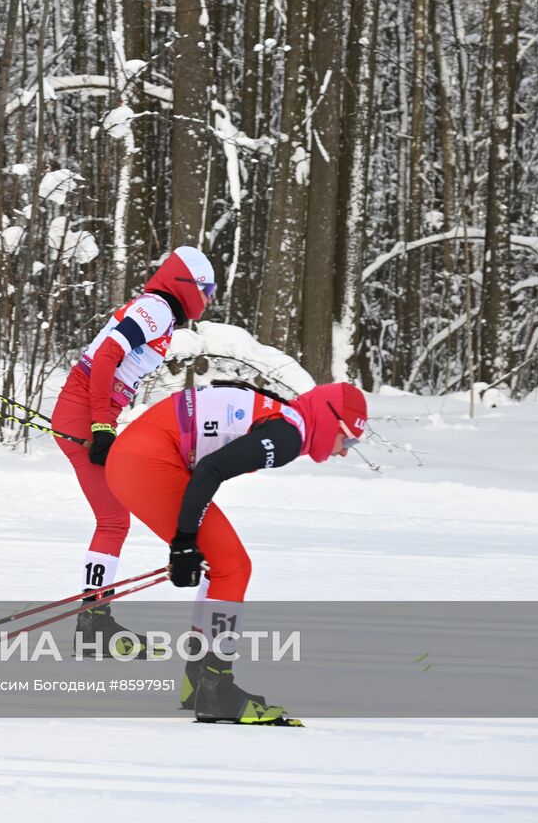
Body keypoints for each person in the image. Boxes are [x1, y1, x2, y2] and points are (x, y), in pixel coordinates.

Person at [102, 379, 368, 724]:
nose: (344, 450)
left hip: (138, 456)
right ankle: (216, 689)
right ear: (331, 421)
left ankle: (199, 680)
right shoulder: (287, 436)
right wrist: (184, 542)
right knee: (233, 568)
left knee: (224, 564)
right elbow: (212, 470)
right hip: (147, 460)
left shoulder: (285, 419)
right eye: (347, 438)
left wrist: (189, 541)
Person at [49, 246, 216, 653]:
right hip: (83, 413)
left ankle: (94, 618)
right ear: (188, 285)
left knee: (113, 519)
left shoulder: (158, 312)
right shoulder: (156, 308)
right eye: (206, 289)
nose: (209, 298)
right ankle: (93, 622)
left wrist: (106, 419)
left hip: (84, 411)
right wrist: (102, 425)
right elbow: (107, 357)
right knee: (113, 520)